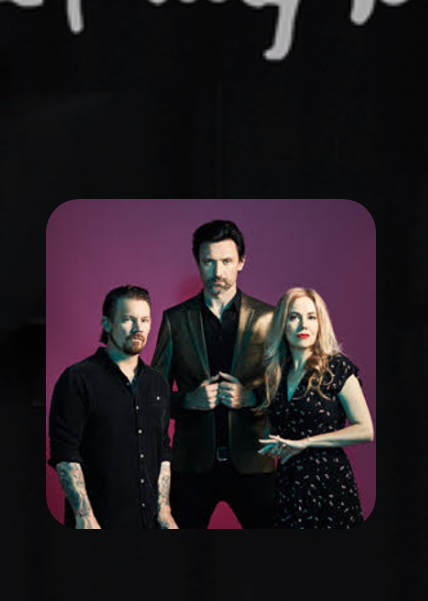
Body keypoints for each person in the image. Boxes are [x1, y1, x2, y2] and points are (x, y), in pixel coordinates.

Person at [148, 218, 279, 528]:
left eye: (226, 261)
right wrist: (188, 400)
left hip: (253, 461)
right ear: (198, 262)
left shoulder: (270, 318)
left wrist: (252, 398)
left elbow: (286, 391)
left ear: (241, 262)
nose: (218, 271)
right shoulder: (175, 320)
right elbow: (152, 395)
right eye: (209, 262)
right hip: (191, 465)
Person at [47, 284, 177, 529]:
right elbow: (65, 453)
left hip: (149, 524)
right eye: (128, 319)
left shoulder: (158, 383)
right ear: (107, 324)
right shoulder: (77, 379)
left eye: (145, 320)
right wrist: (84, 516)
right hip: (98, 523)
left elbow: (162, 451)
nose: (138, 328)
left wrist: (165, 510)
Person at [255, 286, 373, 528]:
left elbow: (365, 430)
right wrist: (276, 445)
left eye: (311, 317)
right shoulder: (276, 374)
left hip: (328, 482)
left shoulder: (337, 367)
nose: (303, 325)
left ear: (320, 323)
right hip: (288, 484)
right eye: (294, 317)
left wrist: (306, 442)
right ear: (282, 324)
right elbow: (278, 428)